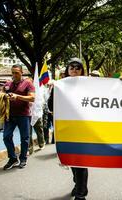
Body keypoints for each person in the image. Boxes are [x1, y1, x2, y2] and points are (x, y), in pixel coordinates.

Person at [49, 58, 88, 200]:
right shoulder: (60, 86)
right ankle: (78, 184)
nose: (74, 69)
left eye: (78, 67)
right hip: (68, 129)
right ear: (67, 70)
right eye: (71, 67)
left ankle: (81, 194)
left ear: (82, 70)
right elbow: (51, 106)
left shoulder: (90, 85)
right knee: (72, 160)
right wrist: (54, 89)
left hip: (84, 129)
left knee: (81, 162)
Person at [3, 64, 35, 170]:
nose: (14, 75)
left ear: (22, 72)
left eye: (16, 72)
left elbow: (32, 98)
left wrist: (18, 97)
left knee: (24, 138)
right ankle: (13, 158)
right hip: (10, 115)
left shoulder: (28, 83)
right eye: (12, 72)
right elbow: (1, 95)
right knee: (6, 136)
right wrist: (5, 96)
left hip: (23, 115)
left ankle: (23, 159)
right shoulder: (8, 84)